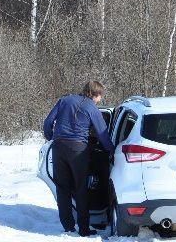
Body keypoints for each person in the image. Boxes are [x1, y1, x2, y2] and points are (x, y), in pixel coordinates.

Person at [43, 81, 115, 237]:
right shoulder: (91, 107)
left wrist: (50, 138)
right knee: (81, 188)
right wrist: (111, 150)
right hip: (78, 150)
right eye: (99, 97)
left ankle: (68, 226)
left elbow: (48, 122)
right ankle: (84, 228)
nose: (99, 101)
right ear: (96, 94)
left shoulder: (64, 100)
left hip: (58, 147)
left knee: (62, 188)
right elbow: (102, 133)